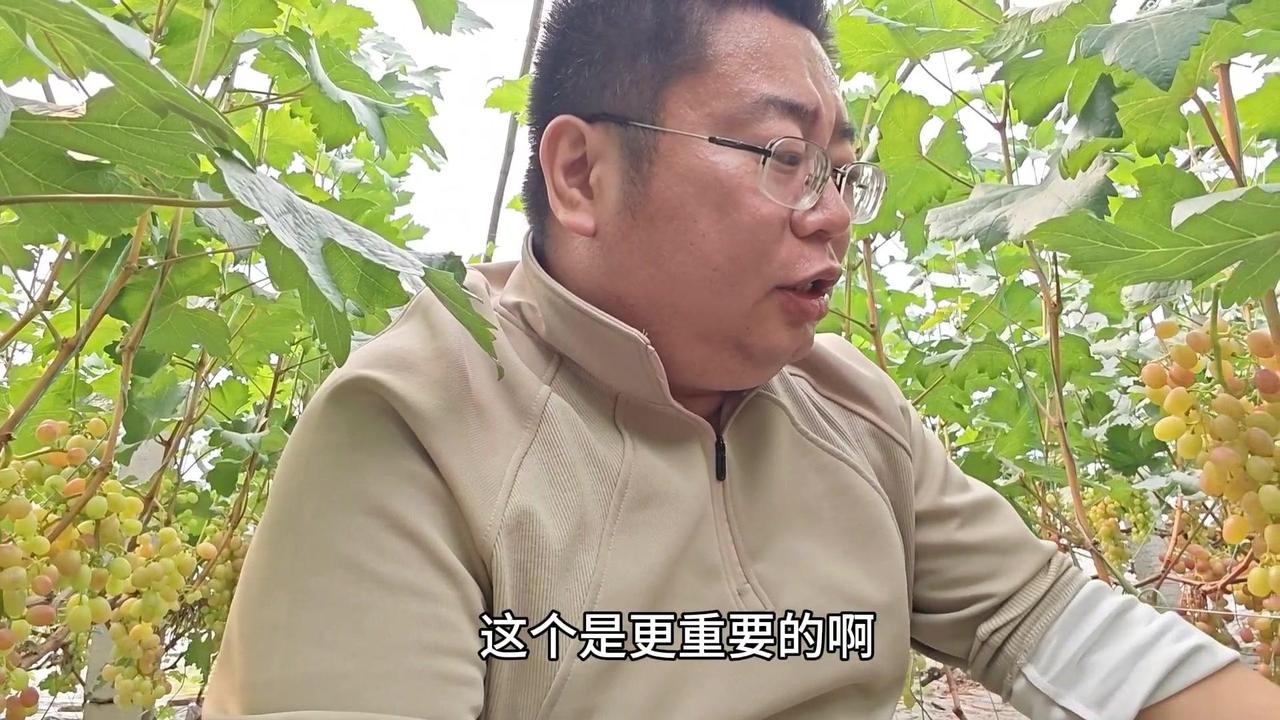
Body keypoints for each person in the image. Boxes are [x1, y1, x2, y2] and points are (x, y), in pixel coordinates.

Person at [201, 1, 1280, 718]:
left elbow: (1059, 631)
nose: (832, 214)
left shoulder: (848, 408)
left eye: (839, 171)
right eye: (779, 155)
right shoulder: (411, 427)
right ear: (578, 175)